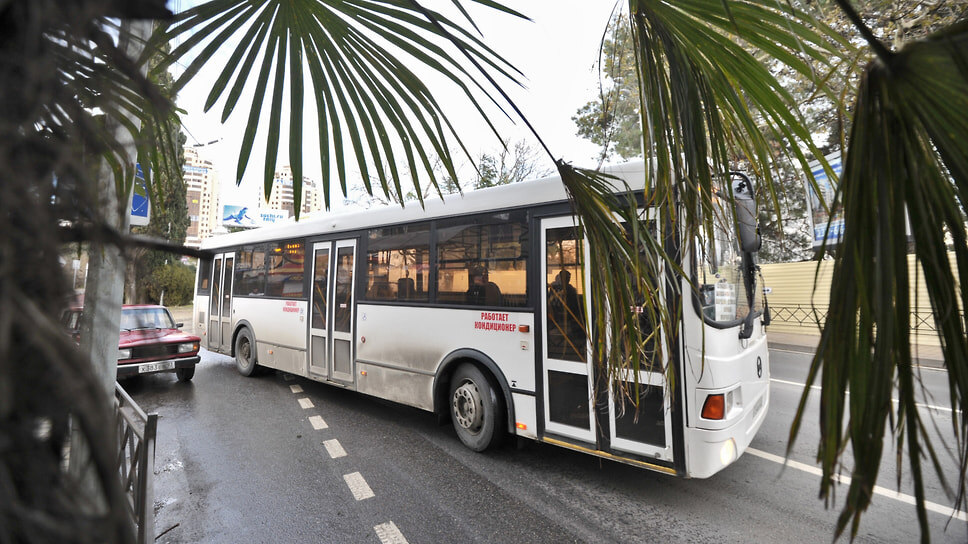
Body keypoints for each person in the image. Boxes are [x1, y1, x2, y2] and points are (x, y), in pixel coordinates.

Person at [548, 269, 586, 360]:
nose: (568, 280)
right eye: (566, 278)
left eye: (568, 278)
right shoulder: (558, 288)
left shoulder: (566, 288)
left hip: (563, 313)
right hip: (560, 314)